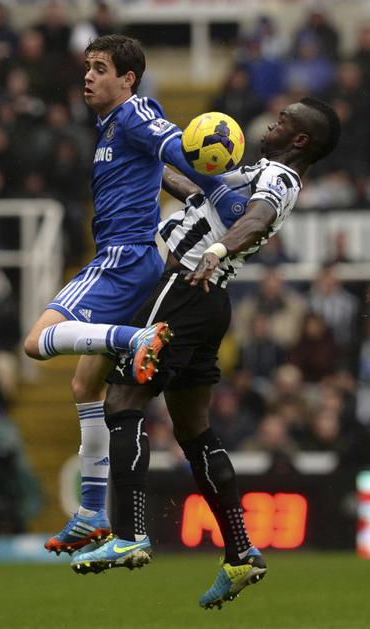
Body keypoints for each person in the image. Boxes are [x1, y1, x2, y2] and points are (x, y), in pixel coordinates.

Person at [70, 97, 341, 609]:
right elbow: (201, 192)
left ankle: (129, 533)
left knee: (122, 400)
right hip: (208, 301)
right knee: (194, 431)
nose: (272, 122)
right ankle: (240, 553)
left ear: (300, 139)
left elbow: (257, 219)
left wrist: (217, 249)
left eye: (283, 121)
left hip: (183, 287)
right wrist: (148, 164)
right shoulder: (255, 172)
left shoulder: (280, 178)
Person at [24, 34, 248, 555]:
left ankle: (135, 339)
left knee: (36, 342)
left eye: (100, 68)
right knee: (85, 385)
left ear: (128, 80)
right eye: (87, 66)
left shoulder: (134, 112)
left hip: (122, 260)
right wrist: (198, 191)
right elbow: (159, 167)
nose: (88, 76)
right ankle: (91, 512)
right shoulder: (110, 125)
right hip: (135, 260)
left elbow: (173, 146)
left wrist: (217, 185)